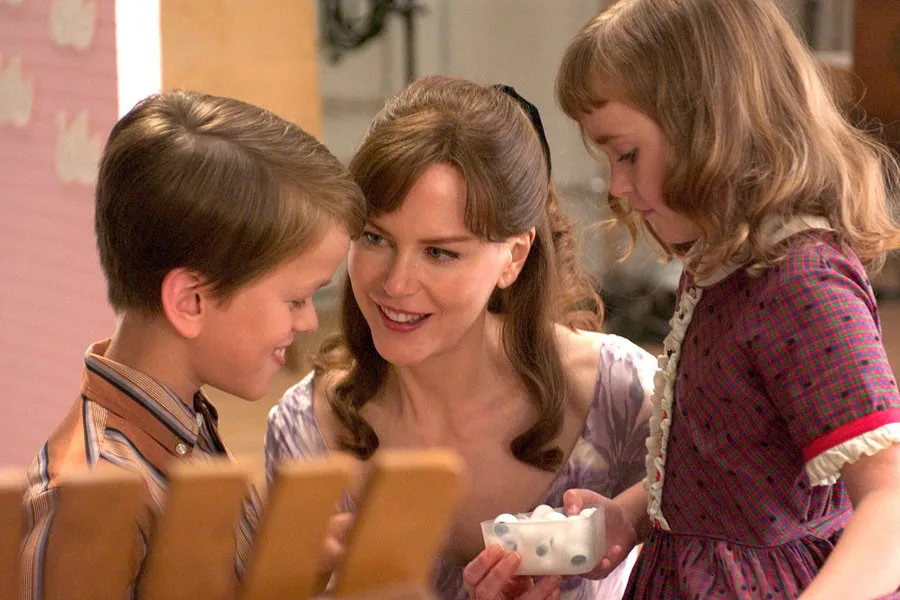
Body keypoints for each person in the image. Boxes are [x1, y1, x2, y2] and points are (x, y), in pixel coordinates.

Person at [550, 0, 900, 597]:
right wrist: (629, 514)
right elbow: (733, 467)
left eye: (627, 154)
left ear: (710, 128)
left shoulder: (802, 283)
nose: (617, 186)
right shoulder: (719, 268)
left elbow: (889, 503)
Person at [265, 74, 656, 600]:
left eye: (439, 252)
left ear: (513, 257)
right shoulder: (306, 430)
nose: (396, 284)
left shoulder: (623, 396)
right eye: (374, 238)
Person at [20, 90, 366, 599]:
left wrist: (287, 566)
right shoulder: (89, 500)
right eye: (296, 299)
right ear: (191, 302)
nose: (310, 319)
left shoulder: (186, 428)